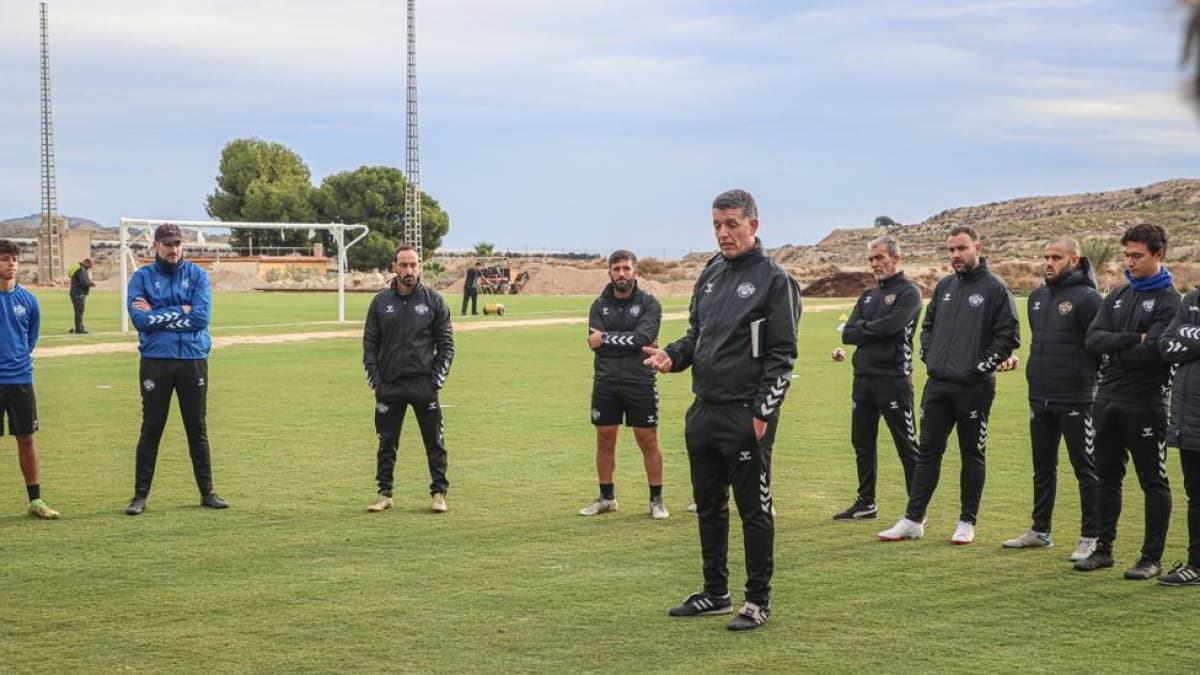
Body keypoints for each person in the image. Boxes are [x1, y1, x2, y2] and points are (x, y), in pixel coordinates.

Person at [644, 189, 801, 632]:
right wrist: (673, 356)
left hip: (745, 414)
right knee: (709, 508)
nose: (723, 233)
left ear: (754, 224)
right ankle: (715, 593)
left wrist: (762, 414)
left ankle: (757, 601)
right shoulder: (711, 272)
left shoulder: (775, 280)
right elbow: (698, 334)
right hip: (704, 411)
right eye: (717, 225)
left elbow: (782, 356)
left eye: (732, 224)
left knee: (754, 510)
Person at [878, 225, 1019, 545]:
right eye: (951, 250)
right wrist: (929, 356)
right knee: (927, 453)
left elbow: (1008, 336)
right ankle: (913, 519)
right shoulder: (944, 287)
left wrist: (978, 368)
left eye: (961, 249)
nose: (955, 255)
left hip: (974, 388)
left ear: (977, 248)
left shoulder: (996, 288)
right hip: (938, 384)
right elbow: (927, 327)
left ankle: (967, 522)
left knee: (972, 453)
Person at [1075, 223, 1180, 578]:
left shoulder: (1170, 300)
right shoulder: (1118, 295)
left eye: (1137, 256)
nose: (1129, 263)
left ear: (1158, 255)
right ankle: (1103, 549)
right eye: (1127, 255)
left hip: (1145, 401)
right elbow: (1093, 338)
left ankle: (1151, 558)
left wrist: (1122, 345)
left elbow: (1156, 351)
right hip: (1107, 399)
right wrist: (1134, 338)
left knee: (1152, 481)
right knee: (1107, 477)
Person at [1002, 238, 1102, 562]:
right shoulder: (1036, 298)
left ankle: (1091, 537)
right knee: (1043, 469)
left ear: (1074, 260)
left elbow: (1100, 349)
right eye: (1046, 256)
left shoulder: (1088, 299)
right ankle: (1040, 531)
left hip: (1076, 397)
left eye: (1056, 257)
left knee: (1085, 469)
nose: (1049, 262)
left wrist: (1089, 387)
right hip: (1040, 396)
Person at [125, 223, 228, 515]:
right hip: (156, 361)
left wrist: (158, 314)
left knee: (197, 428)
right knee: (151, 428)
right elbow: (139, 321)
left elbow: (200, 318)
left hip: (192, 358)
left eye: (178, 244)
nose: (174, 249)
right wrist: (179, 310)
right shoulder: (142, 277)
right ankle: (140, 496)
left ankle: (207, 492)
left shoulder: (197, 275)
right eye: (168, 244)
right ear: (156, 246)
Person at [832, 236, 921, 521]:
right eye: (871, 259)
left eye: (880, 258)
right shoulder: (868, 296)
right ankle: (866, 502)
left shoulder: (909, 293)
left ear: (896, 258)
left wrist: (863, 329)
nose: (875, 264)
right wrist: (871, 329)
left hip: (893, 378)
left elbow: (893, 327)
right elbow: (847, 333)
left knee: (906, 445)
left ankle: (916, 509)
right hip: (863, 379)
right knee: (862, 442)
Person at [364, 245, 454, 513]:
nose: (409, 271)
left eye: (413, 265)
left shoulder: (433, 301)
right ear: (394, 267)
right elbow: (370, 344)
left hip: (423, 385)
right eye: (403, 265)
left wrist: (436, 380)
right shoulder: (381, 303)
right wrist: (376, 380)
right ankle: (385, 494)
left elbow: (446, 345)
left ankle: (439, 493)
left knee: (434, 442)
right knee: (386, 443)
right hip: (389, 386)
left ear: (420, 267)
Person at [579, 250, 667, 519]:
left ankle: (656, 500)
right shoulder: (598, 305)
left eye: (626, 268)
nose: (621, 273)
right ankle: (607, 497)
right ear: (609, 273)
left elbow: (643, 338)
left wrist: (606, 338)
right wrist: (627, 342)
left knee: (647, 439)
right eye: (616, 268)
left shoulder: (650, 304)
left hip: (639, 381)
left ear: (636, 272)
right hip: (606, 381)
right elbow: (596, 345)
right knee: (605, 439)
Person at [0, 240, 59, 519]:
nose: (11, 263)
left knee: (26, 439)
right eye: (4, 258)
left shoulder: (28, 301)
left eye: (14, 259)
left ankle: (35, 501)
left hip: (20, 379)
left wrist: (18, 359)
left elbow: (30, 338)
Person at [1158, 277, 1200, 585]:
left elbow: (1181, 340)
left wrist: (1190, 336)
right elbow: (1167, 345)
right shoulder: (1192, 300)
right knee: (1196, 495)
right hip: (1190, 420)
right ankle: (1196, 564)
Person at [68, 257, 95, 334]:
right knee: (79, 311)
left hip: (75, 292)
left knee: (78, 311)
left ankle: (80, 327)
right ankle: (79, 329)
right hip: (78, 293)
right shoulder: (81, 269)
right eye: (90, 266)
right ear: (87, 263)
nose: (89, 268)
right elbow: (84, 282)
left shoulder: (78, 268)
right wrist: (91, 284)